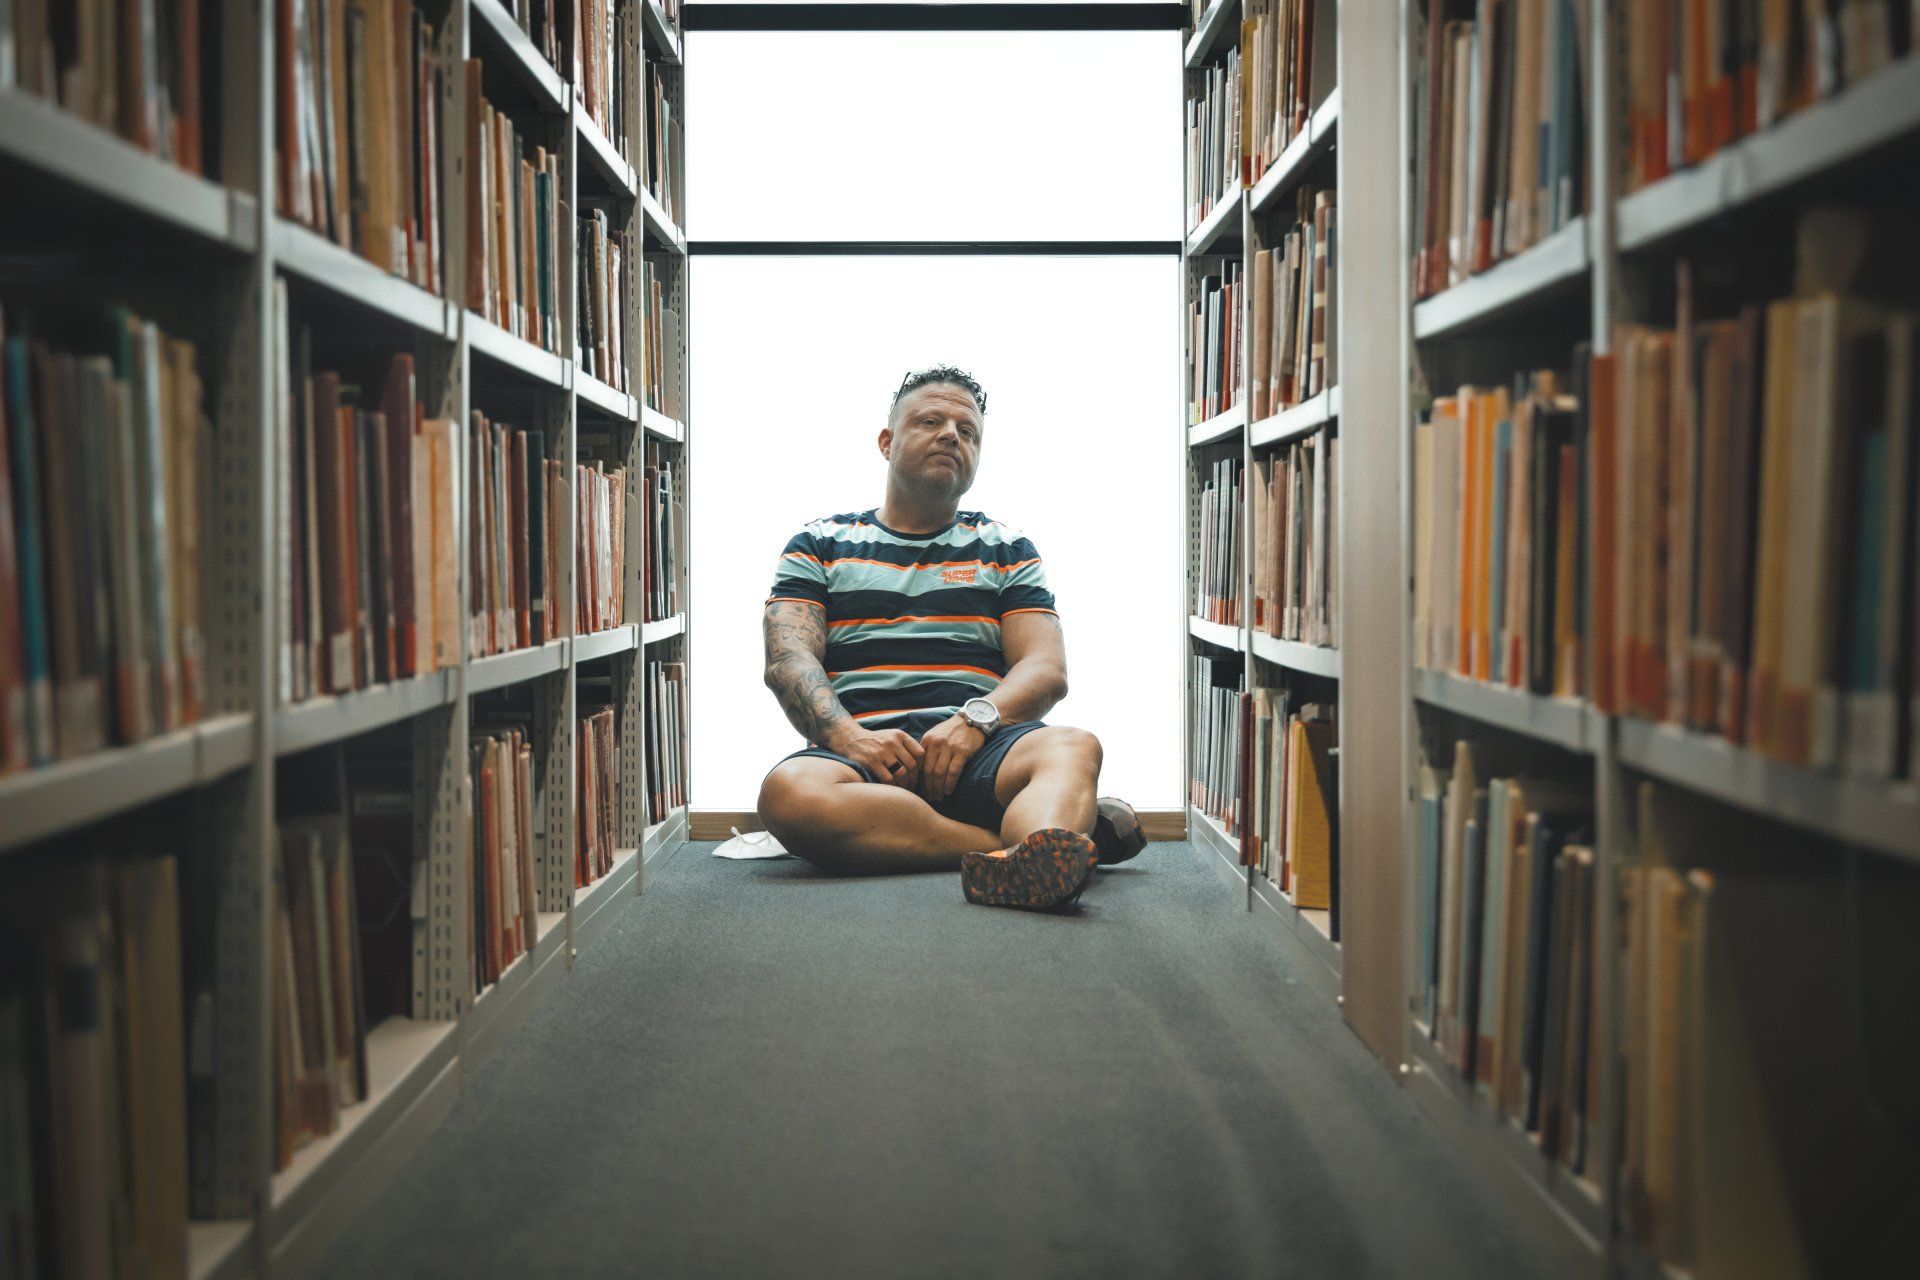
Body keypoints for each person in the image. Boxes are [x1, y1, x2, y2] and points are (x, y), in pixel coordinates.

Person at [755, 365, 1145, 911]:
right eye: (930, 421)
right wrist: (850, 738)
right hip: (863, 755)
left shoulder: (1007, 548)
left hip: (981, 746)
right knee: (789, 795)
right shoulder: (818, 542)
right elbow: (789, 658)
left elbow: (1045, 668)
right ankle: (1020, 850)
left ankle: (1024, 848)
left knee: (1072, 744)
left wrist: (973, 721)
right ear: (887, 442)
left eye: (967, 430)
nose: (950, 435)